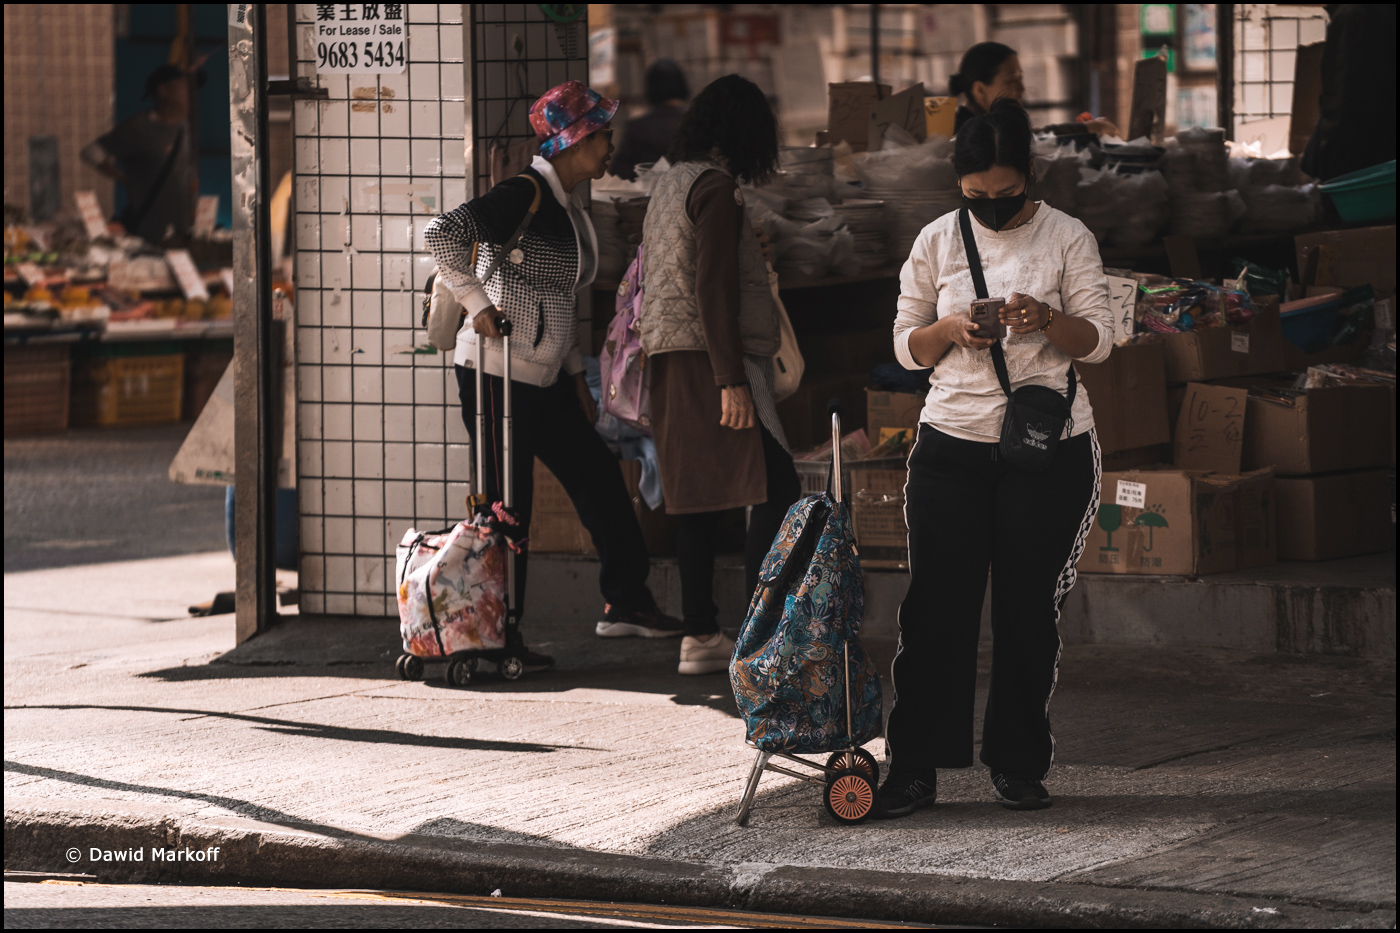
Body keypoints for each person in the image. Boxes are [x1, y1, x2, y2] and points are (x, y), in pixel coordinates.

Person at [879, 99, 1113, 817]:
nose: (989, 206)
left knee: (1025, 611)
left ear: (1030, 176)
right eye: (975, 195)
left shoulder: (1068, 237)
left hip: (1045, 450)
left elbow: (1100, 339)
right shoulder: (937, 240)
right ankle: (915, 766)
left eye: (1003, 192)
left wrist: (1043, 318)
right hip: (950, 444)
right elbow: (903, 345)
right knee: (936, 610)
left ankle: (1016, 761)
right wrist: (949, 328)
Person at [424, 80, 683, 670]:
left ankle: (628, 601)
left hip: (543, 378)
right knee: (508, 510)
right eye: (602, 133)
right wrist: (478, 306)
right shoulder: (523, 194)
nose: (611, 141)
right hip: (495, 376)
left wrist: (572, 375)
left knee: (597, 479)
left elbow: (555, 299)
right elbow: (442, 235)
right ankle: (497, 635)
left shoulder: (566, 201)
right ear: (573, 141)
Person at [636, 75, 802, 676]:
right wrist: (731, 379)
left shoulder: (670, 183)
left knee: (697, 497)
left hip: (670, 354)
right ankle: (758, 633)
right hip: (713, 359)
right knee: (777, 481)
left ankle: (700, 632)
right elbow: (712, 286)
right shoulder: (716, 187)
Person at [82, 63, 198, 244]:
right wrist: (125, 178)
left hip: (183, 228)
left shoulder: (184, 128)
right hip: (149, 231)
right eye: (182, 88)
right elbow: (92, 153)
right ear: (163, 91)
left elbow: (188, 172)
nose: (189, 94)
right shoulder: (139, 128)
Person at [1301, 4, 1396, 181]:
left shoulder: (1352, 18)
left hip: (1358, 159)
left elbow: (1343, 100)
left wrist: (1328, 163)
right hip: (1381, 155)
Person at [949, 42, 1118, 138]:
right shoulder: (966, 133)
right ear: (980, 90)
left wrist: (1084, 129)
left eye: (1020, 78)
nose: (1021, 89)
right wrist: (1084, 130)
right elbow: (1029, 141)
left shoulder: (993, 126)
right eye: (1011, 81)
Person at [609, 59, 689, 181]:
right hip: (690, 196)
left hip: (646, 197)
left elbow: (619, 173)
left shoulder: (637, 127)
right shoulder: (695, 125)